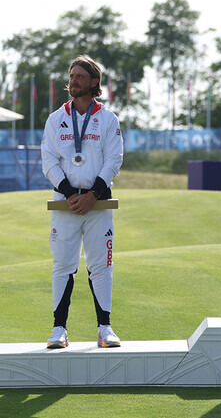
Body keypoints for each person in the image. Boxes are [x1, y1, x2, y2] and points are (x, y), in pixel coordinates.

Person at [41, 55, 124, 348]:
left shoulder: (107, 118)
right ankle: (59, 330)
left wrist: (92, 195)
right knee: (63, 266)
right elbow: (48, 161)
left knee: (101, 266)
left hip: (98, 205)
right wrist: (70, 193)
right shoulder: (56, 119)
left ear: (93, 83)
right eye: (71, 75)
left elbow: (114, 159)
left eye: (79, 76)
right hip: (66, 204)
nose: (73, 80)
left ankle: (105, 328)